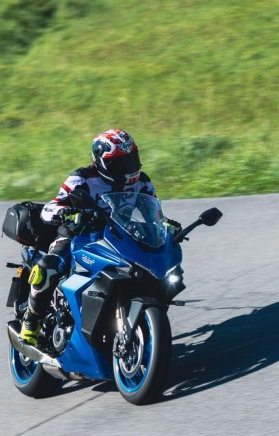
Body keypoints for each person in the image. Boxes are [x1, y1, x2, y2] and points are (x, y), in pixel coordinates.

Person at [19, 128, 178, 346]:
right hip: (78, 234)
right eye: (120, 163)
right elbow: (49, 209)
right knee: (48, 268)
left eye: (132, 159)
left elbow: (154, 213)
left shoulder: (142, 182)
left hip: (118, 235)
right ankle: (31, 322)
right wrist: (68, 213)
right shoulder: (82, 178)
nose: (129, 168)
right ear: (102, 162)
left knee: (152, 271)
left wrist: (165, 226)